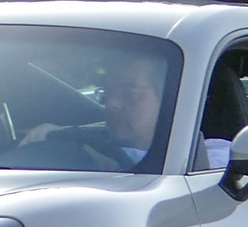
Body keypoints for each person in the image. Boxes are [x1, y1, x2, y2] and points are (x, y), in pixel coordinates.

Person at [23, 52, 166, 170]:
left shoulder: (179, 163)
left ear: (168, 98)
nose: (111, 104)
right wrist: (53, 135)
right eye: (107, 92)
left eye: (130, 94)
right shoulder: (78, 146)